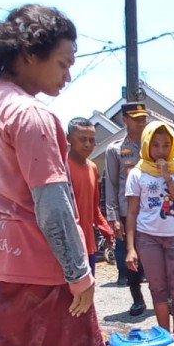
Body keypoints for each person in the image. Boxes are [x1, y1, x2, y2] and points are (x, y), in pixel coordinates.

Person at [0, 4, 108, 346]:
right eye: (63, 64)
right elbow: (53, 207)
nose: (68, 75)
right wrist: (79, 275)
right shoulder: (32, 115)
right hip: (47, 273)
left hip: (6, 266)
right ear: (31, 53)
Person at [125, 122, 174, 332]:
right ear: (146, 145)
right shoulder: (137, 173)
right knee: (158, 288)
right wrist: (130, 248)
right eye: (155, 145)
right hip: (148, 237)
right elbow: (132, 212)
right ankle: (164, 334)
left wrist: (167, 178)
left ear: (173, 146)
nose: (161, 150)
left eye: (165, 145)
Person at [104, 101, 150, 316]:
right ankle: (137, 298)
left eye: (143, 118)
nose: (141, 122)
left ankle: (164, 296)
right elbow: (112, 184)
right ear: (125, 120)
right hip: (126, 211)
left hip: (152, 210)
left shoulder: (155, 144)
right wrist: (113, 216)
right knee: (130, 257)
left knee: (156, 255)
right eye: (136, 119)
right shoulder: (115, 149)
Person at [66, 117, 114, 274]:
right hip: (68, 245)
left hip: (89, 244)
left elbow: (94, 207)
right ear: (69, 139)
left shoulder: (93, 168)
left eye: (91, 140)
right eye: (82, 139)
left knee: (89, 287)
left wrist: (106, 228)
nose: (87, 144)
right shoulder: (61, 168)